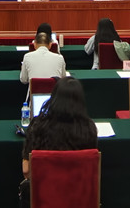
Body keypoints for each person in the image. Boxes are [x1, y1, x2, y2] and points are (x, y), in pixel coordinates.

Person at [19, 77, 97, 208]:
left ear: (53, 98)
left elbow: (26, 170)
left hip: (44, 197)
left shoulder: (38, 126)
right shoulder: (89, 128)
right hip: (78, 197)